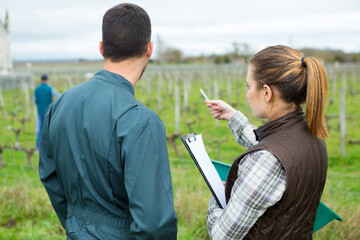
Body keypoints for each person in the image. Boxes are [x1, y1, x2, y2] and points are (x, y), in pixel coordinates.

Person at [39, 3, 178, 239]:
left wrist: (78, 224)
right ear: (150, 49)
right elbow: (153, 225)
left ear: (102, 48)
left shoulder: (59, 105)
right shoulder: (142, 122)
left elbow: (50, 178)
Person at [206, 45, 328, 239]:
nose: (247, 94)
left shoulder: (267, 160)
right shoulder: (312, 134)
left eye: (249, 86)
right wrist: (233, 116)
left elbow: (223, 235)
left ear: (266, 92)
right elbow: (278, 151)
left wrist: (217, 198)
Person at [34, 74, 60, 150]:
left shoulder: (36, 89)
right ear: (47, 80)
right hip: (49, 113)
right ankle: (49, 147)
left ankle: (38, 147)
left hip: (40, 113)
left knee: (40, 129)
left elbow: (34, 101)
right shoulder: (50, 89)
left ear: (41, 80)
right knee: (49, 129)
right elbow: (59, 96)